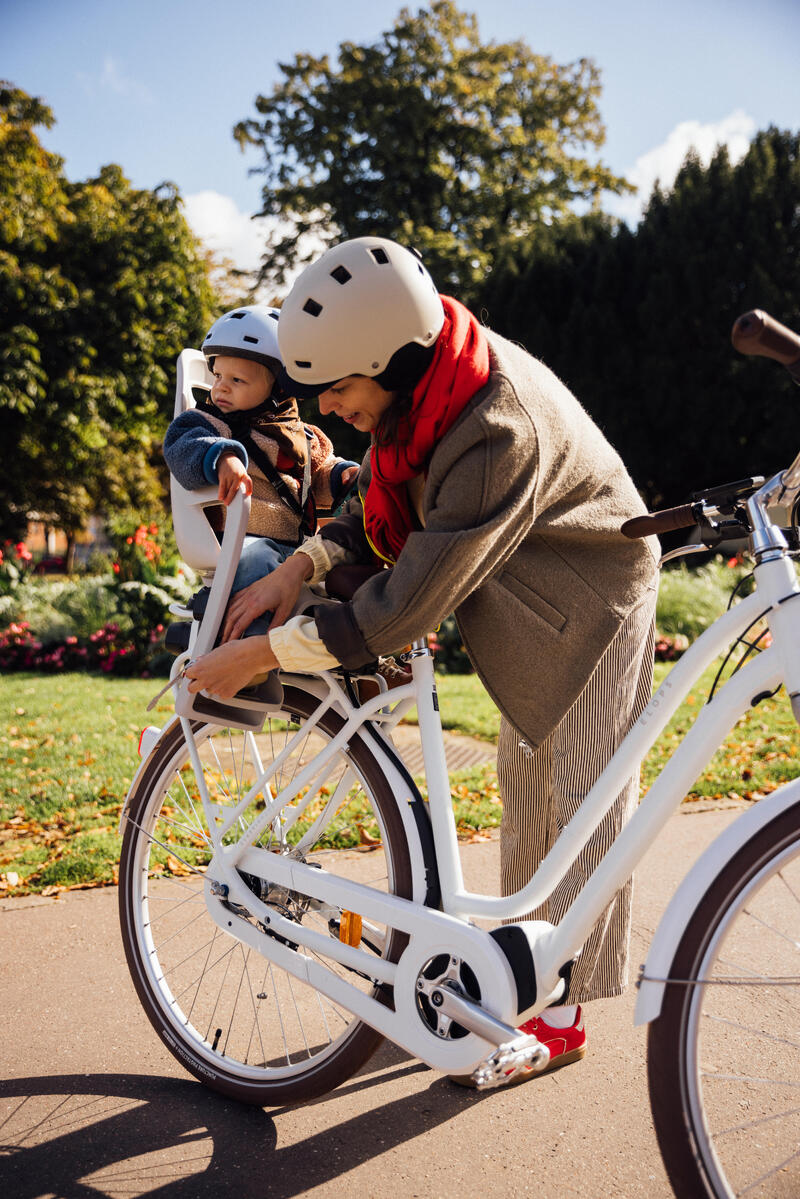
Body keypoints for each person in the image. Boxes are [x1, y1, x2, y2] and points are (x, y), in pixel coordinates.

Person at [186, 238, 659, 1081]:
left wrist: (262, 649)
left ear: (390, 361)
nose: (328, 409)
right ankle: (521, 966)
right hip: (518, 574)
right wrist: (300, 565)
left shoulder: (493, 427)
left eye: (338, 387)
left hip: (590, 591)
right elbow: (374, 491)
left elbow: (407, 601)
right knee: (526, 787)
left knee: (582, 793)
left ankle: (565, 1006)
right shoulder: (427, 389)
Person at [163, 304, 358, 599]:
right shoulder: (210, 424)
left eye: (236, 380)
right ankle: (252, 638)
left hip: (299, 551)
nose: (221, 388)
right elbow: (181, 445)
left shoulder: (302, 436)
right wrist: (222, 457)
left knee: (344, 579)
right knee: (260, 562)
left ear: (279, 388)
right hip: (240, 545)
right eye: (217, 376)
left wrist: (345, 476)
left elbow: (319, 472)